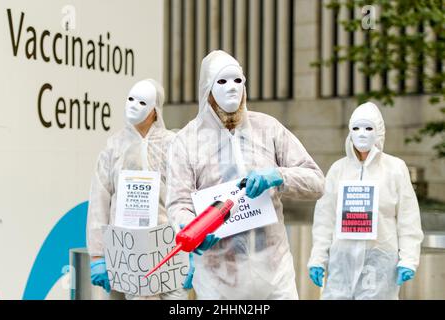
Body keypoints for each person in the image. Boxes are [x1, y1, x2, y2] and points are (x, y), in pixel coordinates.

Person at [166, 50, 325, 299]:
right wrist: (191, 228)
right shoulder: (186, 141)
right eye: (222, 81)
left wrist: (278, 176)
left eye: (238, 80)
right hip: (219, 279)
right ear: (207, 87)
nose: (232, 88)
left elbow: (316, 182)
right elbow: (179, 203)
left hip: (275, 276)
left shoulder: (268, 129)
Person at [307, 102, 424, 299]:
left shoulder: (395, 168)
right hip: (341, 264)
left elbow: (408, 218)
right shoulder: (338, 169)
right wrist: (317, 258)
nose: (362, 134)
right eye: (356, 128)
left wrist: (408, 259)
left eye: (369, 128)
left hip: (379, 264)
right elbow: (324, 219)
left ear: (379, 132)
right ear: (349, 132)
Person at [86, 79, 188, 300]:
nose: (132, 105)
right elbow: (99, 202)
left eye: (141, 102)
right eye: (130, 99)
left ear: (155, 110)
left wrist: (195, 246)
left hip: (170, 250)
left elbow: (187, 195)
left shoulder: (173, 145)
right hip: (128, 252)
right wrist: (97, 256)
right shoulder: (114, 147)